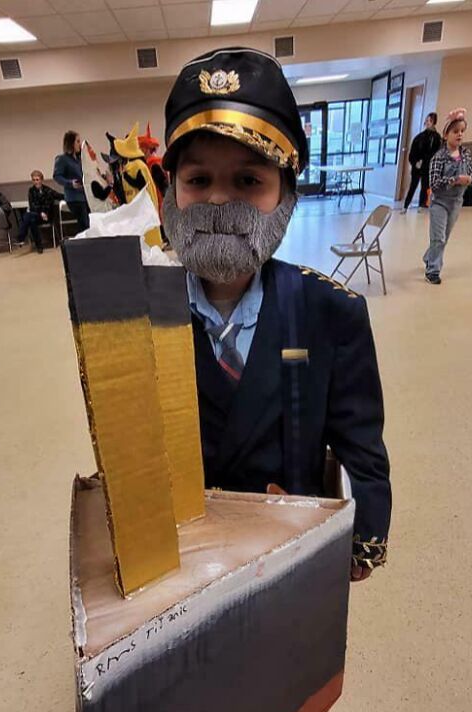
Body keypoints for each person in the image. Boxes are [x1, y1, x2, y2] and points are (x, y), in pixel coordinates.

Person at [161, 47, 391, 580]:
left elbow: (362, 446)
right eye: (197, 181)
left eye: (248, 181)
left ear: (286, 194)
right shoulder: (139, 317)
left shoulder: (332, 313)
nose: (219, 201)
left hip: (291, 554)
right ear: (169, 192)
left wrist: (361, 543)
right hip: (181, 560)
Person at [423, 108, 472, 285]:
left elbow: (470, 175)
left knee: (445, 236)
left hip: (456, 202)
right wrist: (454, 180)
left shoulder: (465, 154)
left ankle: (429, 256)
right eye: (455, 131)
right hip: (439, 202)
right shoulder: (439, 157)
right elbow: (434, 184)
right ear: (446, 135)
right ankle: (433, 271)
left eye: (461, 131)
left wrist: (468, 179)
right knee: (439, 237)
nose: (459, 135)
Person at [113, 123, 163, 247]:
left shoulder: (137, 166)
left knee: (147, 241)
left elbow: (142, 184)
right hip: (138, 209)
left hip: (142, 209)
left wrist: (127, 177)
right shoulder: (134, 165)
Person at [401, 113, 441, 214]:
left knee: (425, 186)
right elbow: (412, 153)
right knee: (413, 186)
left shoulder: (436, 138)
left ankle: (422, 205)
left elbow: (436, 153)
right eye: (427, 121)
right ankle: (405, 205)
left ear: (434, 123)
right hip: (417, 167)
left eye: (430, 121)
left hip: (428, 167)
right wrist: (415, 163)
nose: (428, 123)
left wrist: (427, 163)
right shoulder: (419, 137)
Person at [16, 170, 62, 253]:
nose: (35, 182)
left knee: (28, 216)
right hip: (37, 215)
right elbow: (32, 206)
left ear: (41, 180)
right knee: (31, 219)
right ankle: (38, 246)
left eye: (37, 180)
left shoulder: (48, 190)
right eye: (33, 180)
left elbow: (58, 196)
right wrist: (41, 213)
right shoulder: (31, 191)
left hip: (47, 216)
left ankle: (21, 238)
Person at [53, 130, 89, 233]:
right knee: (84, 224)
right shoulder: (62, 159)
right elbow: (57, 176)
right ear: (71, 143)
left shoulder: (79, 159)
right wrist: (70, 183)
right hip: (74, 197)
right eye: (77, 141)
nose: (79, 144)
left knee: (88, 223)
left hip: (84, 195)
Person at [138, 123, 169, 215]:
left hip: (160, 209)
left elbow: (164, 188)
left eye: (141, 149)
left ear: (146, 149)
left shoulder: (153, 165)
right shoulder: (158, 162)